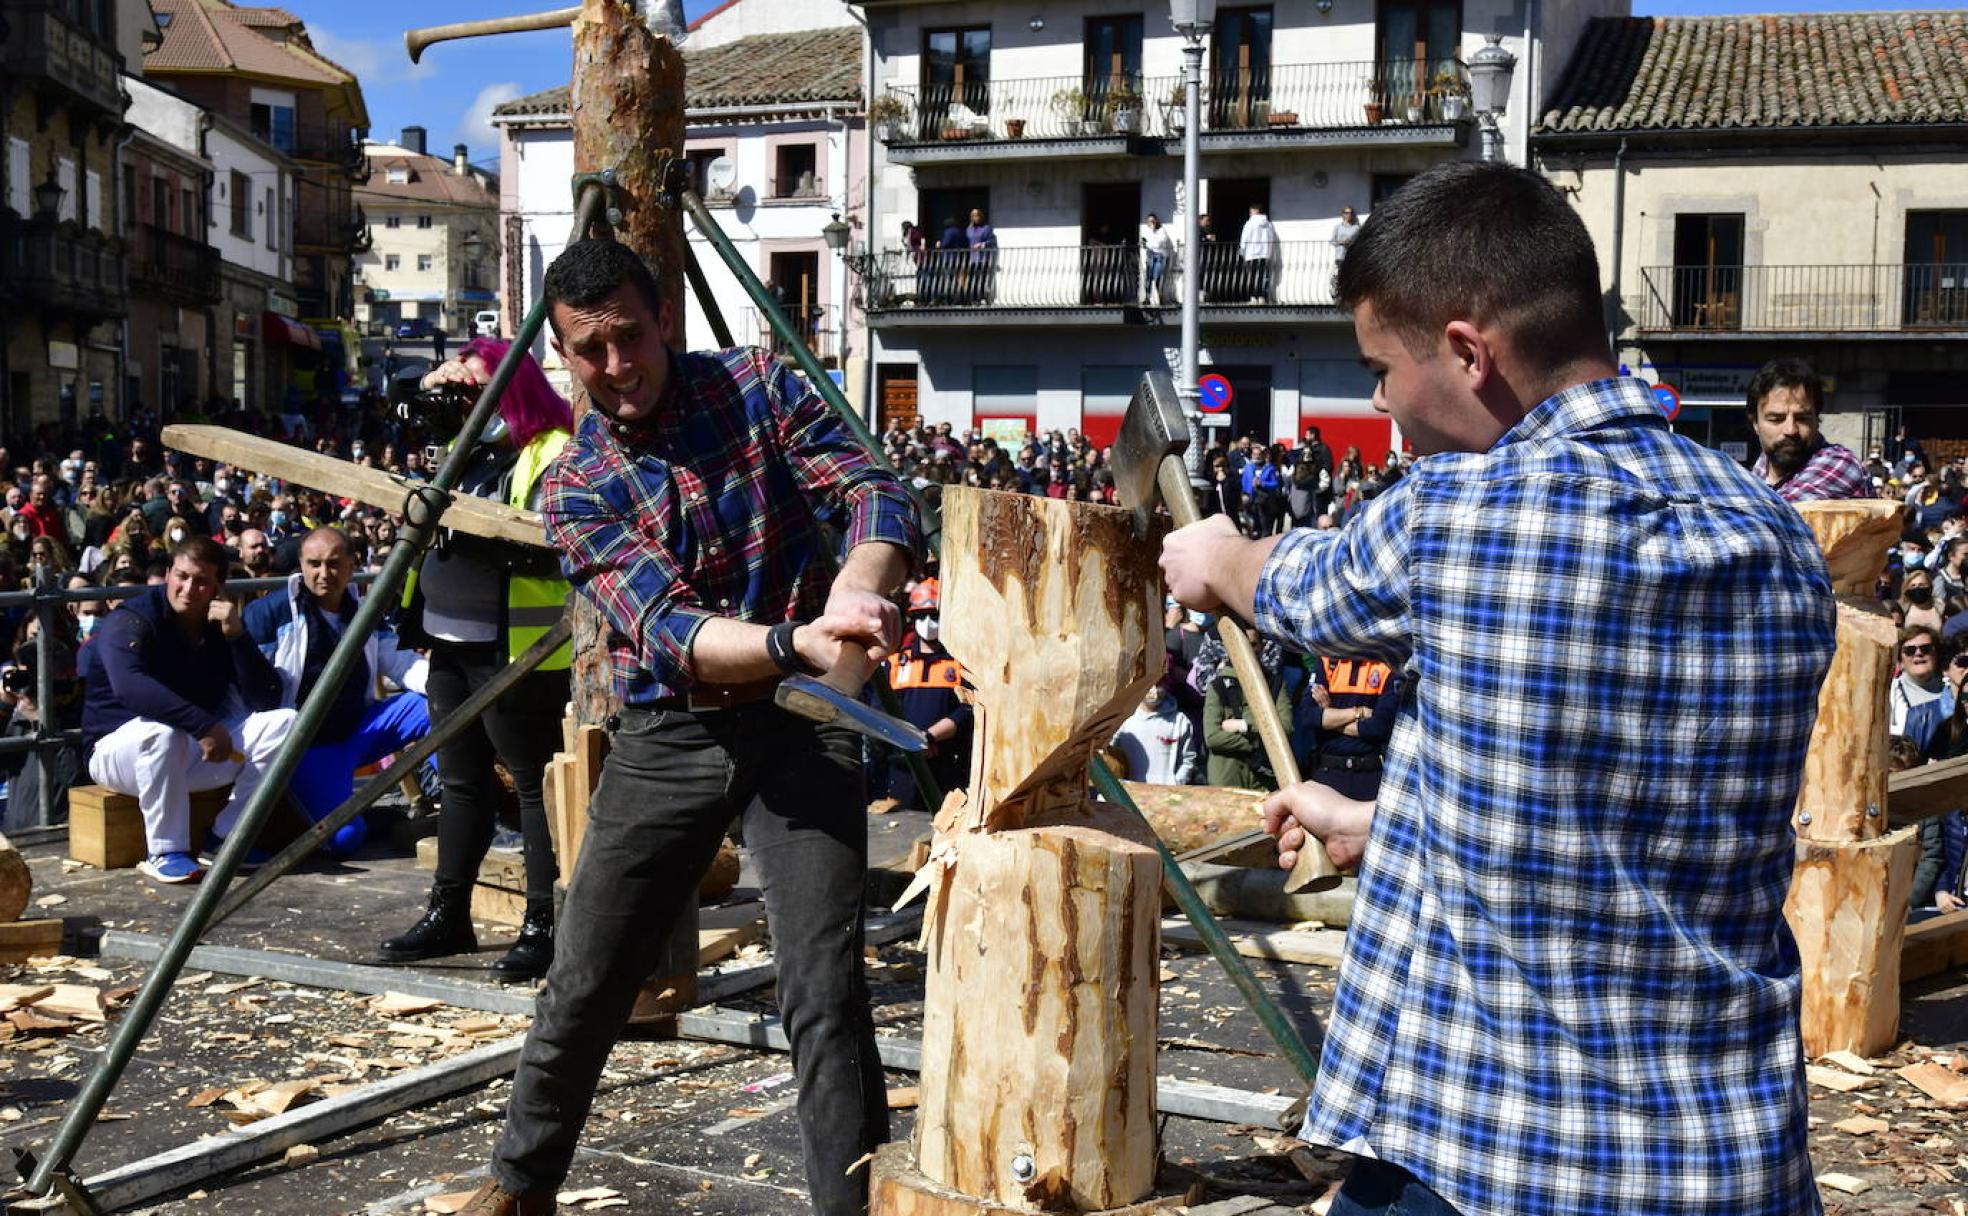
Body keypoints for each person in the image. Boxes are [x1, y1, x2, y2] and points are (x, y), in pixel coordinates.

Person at [1158, 162, 1831, 1216]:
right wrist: (1381, 823)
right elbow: (1610, 816)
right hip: (1724, 1156)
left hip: (1495, 1155)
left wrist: (1211, 551)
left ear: (1470, 352)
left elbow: (1276, 582)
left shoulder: (1457, 514)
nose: (1378, 399)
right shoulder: (1775, 535)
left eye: (1383, 365)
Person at [456, 236, 919, 1216]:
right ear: (562, 354)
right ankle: (520, 1185)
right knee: (586, 974)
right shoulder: (575, 487)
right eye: (589, 349)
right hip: (674, 728)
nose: (616, 367)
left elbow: (877, 490)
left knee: (822, 988)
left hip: (805, 720)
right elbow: (670, 633)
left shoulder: (757, 386)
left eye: (630, 336)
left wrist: (858, 578)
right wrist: (800, 636)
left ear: (661, 318)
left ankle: (854, 1209)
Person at [379, 338, 576, 981]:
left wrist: (477, 534)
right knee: (460, 780)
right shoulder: (462, 452)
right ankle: (449, 913)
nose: (459, 400)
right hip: (450, 642)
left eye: (472, 386)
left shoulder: (548, 449)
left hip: (518, 648)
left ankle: (544, 923)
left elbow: (554, 550)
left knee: (531, 788)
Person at [78, 537, 295, 884]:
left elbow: (266, 698)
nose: (188, 588)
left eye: (202, 581)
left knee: (287, 723)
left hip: (191, 749)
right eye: (181, 576)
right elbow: (129, 686)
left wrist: (237, 636)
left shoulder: (217, 625)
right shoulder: (132, 619)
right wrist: (204, 726)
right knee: (161, 733)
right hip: (117, 754)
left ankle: (227, 838)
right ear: (168, 574)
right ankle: (164, 851)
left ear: (216, 587)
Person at [237, 527, 430, 857]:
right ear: (301, 565)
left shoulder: (363, 609)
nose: (323, 573)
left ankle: (464, 802)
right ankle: (371, 818)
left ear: (352, 565)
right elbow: (250, 688)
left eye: (333, 563)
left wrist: (444, 685)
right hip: (307, 745)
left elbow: (400, 662)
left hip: (360, 726)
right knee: (343, 841)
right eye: (314, 564)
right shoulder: (270, 613)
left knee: (437, 701)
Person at [877, 577, 969, 811]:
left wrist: (930, 737)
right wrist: (911, 740)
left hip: (946, 762)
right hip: (902, 765)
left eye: (934, 615)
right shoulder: (896, 662)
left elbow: (968, 710)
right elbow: (879, 709)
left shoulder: (960, 663)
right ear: (912, 618)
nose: (928, 623)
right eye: (921, 616)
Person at [1747, 357, 1869, 501]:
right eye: (1776, 419)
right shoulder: (1757, 473)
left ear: (1817, 420)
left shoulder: (1840, 464)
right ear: (1755, 422)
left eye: (1802, 418)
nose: (1790, 430)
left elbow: (1778, 515)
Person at [1201, 633, 1293, 790]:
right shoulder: (1218, 686)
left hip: (1264, 779)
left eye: (1253, 644)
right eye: (1241, 643)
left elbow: (1286, 728)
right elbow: (1213, 737)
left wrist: (1244, 725)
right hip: (1227, 777)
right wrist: (1257, 743)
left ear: (1262, 647)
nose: (1248, 650)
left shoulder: (1275, 684)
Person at [1303, 656, 1402, 801]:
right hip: (1327, 772)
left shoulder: (1387, 666)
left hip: (1369, 775)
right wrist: (1358, 712)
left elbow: (1379, 728)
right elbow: (1309, 716)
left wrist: (1329, 714)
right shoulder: (1327, 662)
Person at [1111, 678, 1199, 784]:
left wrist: (1176, 783)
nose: (1154, 690)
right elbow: (1109, 756)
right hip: (1127, 795)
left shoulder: (1180, 721)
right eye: (1149, 683)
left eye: (1159, 684)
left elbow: (1188, 760)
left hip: (1165, 795)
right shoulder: (1121, 720)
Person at [1238, 203, 1276, 303]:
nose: (1250, 214)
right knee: (1261, 276)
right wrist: (1270, 251)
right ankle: (1261, 296)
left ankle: (1253, 297)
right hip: (1264, 253)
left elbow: (1244, 238)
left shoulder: (1250, 224)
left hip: (1252, 254)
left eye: (1250, 212)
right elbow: (1271, 238)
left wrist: (1242, 250)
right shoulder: (1268, 224)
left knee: (1252, 276)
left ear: (1255, 211)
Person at [1140, 212, 1175, 306]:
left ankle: (1160, 297)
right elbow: (1144, 243)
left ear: (1156, 221)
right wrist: (1146, 243)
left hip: (1160, 256)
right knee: (1148, 278)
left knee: (1158, 277)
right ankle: (1147, 298)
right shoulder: (1147, 230)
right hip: (1150, 255)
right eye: (1149, 221)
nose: (1151, 223)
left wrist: (1152, 234)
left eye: (1152, 221)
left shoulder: (1162, 231)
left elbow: (1159, 243)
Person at [964, 206, 997, 304]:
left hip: (983, 258)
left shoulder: (986, 228)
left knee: (982, 279)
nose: (976, 218)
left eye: (977, 216)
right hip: (972, 258)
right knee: (972, 279)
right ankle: (973, 299)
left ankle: (982, 297)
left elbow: (992, 241)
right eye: (974, 216)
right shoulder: (968, 229)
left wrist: (982, 244)